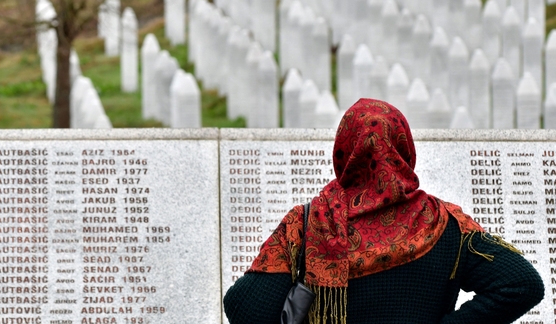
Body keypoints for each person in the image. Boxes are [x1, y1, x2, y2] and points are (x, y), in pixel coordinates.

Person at [224, 98, 543, 324]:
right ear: (405, 149)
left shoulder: (308, 223)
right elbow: (520, 284)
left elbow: (246, 310)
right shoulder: (445, 223)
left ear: (343, 151)